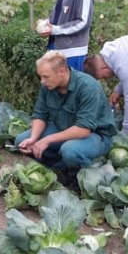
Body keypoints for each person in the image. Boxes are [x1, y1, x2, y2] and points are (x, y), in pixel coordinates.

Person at [14, 51, 116, 182]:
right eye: (41, 77)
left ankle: (88, 175)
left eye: (46, 77)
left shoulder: (88, 88)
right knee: (21, 141)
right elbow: (40, 115)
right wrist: (33, 138)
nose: (42, 81)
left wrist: (46, 140)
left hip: (96, 135)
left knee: (70, 151)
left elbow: (84, 129)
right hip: (63, 128)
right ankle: (60, 166)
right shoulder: (48, 86)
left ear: (62, 72)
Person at [38, 0, 94, 71]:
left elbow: (83, 23)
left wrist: (55, 29)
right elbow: (57, 16)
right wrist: (46, 24)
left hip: (73, 53)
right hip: (56, 50)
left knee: (72, 83)